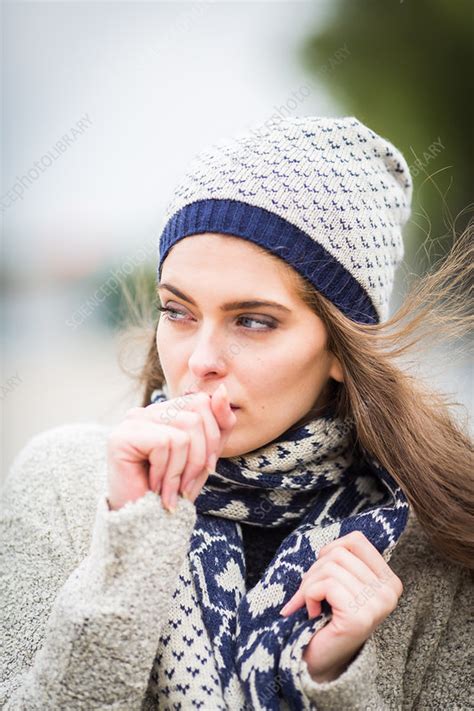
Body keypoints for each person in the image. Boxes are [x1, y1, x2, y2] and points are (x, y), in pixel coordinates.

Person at [1, 116, 472, 711]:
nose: (199, 362)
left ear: (338, 348)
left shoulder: (434, 550)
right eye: (177, 311)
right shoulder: (63, 482)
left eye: (253, 320)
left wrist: (336, 680)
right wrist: (127, 551)